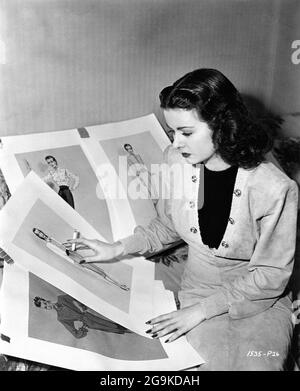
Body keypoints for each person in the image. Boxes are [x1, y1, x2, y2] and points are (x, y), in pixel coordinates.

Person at [66, 69, 298, 370]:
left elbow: (271, 276)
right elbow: (167, 225)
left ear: (221, 125)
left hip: (260, 302)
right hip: (198, 290)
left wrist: (200, 311)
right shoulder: (176, 160)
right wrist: (114, 248)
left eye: (186, 132)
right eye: (171, 131)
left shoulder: (275, 188)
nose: (175, 142)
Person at [34, 295, 131, 338]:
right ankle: (130, 331)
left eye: (45, 304)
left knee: (115, 322)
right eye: (45, 308)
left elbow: (74, 297)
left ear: (47, 300)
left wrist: (79, 305)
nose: (48, 306)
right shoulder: (61, 318)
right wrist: (82, 329)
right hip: (90, 323)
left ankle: (130, 328)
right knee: (113, 329)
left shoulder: (61, 298)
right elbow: (75, 334)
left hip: (90, 312)